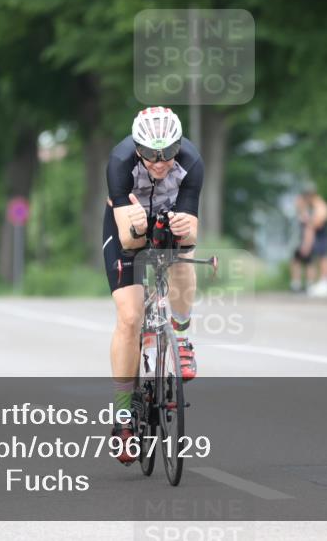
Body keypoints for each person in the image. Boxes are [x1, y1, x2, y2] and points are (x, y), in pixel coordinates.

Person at [102, 107, 203, 464]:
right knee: (129, 318)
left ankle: (182, 334)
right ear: (137, 148)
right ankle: (123, 414)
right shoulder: (119, 162)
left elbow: (192, 229)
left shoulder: (192, 161)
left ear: (179, 146)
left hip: (167, 218)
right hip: (126, 230)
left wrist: (182, 229)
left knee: (185, 253)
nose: (160, 164)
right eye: (150, 155)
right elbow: (129, 242)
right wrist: (140, 226)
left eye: (168, 153)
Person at [290, 182, 327, 297]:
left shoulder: (320, 205)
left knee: (324, 256)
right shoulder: (309, 206)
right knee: (318, 257)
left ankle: (326, 281)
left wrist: (307, 243)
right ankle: (319, 282)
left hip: (321, 235)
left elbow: (315, 224)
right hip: (314, 236)